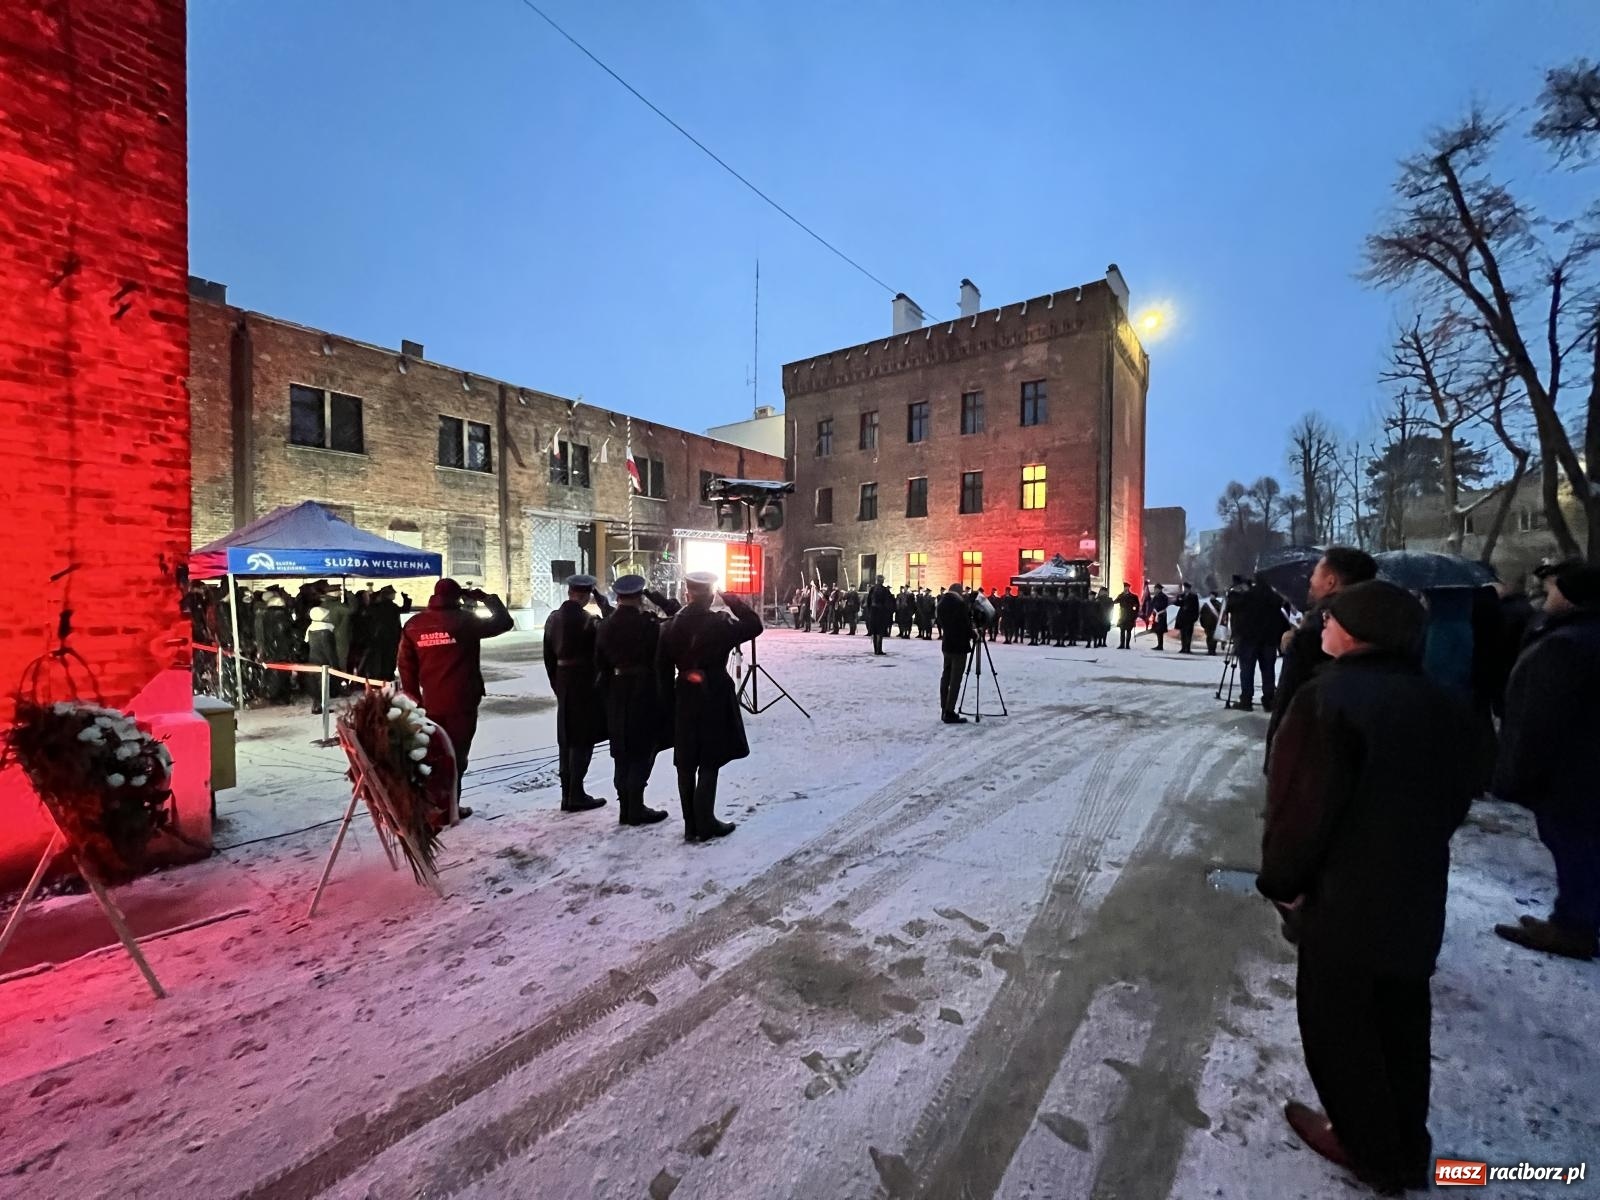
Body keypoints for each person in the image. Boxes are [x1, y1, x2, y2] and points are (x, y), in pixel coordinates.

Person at [1258, 580, 1475, 1195]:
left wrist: (1284, 882)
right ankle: (1407, 1141)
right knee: (1402, 1020)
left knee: (1340, 1027)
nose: (1319, 626)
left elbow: (1301, 807)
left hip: (1342, 898)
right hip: (1413, 891)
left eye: (1330, 618)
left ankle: (1367, 1145)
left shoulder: (1328, 699)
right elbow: (1458, 793)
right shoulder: (1439, 700)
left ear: (1356, 631)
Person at [1491, 562, 1600, 961]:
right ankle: (1576, 917)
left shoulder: (1568, 644)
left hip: (1569, 770)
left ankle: (1574, 926)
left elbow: (1541, 717)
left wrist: (1519, 772)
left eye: (1554, 588)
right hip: (1581, 765)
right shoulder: (1576, 636)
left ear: (1570, 597)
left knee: (1573, 844)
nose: (1548, 595)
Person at [656, 572, 762, 842]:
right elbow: (753, 625)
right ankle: (706, 822)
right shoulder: (720, 623)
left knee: (686, 762)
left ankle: (691, 825)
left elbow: (662, 670)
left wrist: (669, 704)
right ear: (712, 595)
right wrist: (732, 600)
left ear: (687, 593)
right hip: (713, 692)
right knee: (709, 759)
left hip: (684, 695)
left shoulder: (669, 626)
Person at [398, 578, 515, 812]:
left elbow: (405, 666)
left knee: (433, 752)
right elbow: (504, 622)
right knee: (456, 755)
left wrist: (413, 698)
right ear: (457, 597)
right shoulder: (465, 622)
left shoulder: (414, 625)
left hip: (430, 702)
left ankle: (433, 804)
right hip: (463, 699)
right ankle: (450, 805)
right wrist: (486, 599)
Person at [1267, 547, 1378, 763]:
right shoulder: (1386, 625)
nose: (1310, 580)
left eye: (1316, 572)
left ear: (1330, 582)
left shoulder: (1318, 631)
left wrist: (1275, 754)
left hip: (1314, 754)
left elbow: (1291, 698)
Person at [594, 575, 679, 828]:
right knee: (643, 750)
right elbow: (678, 617)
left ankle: (625, 808)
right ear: (640, 597)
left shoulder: (605, 625)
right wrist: (658, 598)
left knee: (621, 751)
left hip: (617, 693)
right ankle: (636, 807)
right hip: (645, 691)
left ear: (618, 597)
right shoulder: (650, 624)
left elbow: (600, 664)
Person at [543, 574, 612, 814]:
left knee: (566, 737)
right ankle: (577, 793)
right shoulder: (589, 620)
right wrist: (604, 604)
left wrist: (556, 684)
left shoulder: (552, 619)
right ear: (586, 594)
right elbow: (608, 638)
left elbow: (548, 657)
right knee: (582, 739)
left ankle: (566, 794)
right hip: (585, 683)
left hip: (563, 681)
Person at [1228, 574, 1290, 712]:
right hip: (1268, 640)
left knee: (1247, 670)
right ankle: (1269, 700)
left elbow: (1232, 607)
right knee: (1268, 670)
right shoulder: (1275, 598)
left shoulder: (1247, 596)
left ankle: (1246, 699)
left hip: (1249, 638)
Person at [934, 582, 975, 724]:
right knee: (955, 679)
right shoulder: (959, 604)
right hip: (959, 646)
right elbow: (964, 624)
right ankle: (950, 711)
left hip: (947, 644)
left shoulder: (941, 603)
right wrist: (973, 635)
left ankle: (944, 708)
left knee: (945, 676)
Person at [361, 586, 410, 683]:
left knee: (379, 659)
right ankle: (388, 676)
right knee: (389, 658)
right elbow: (405, 609)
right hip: (390, 637)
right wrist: (406, 599)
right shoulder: (391, 606)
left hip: (378, 637)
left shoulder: (376, 606)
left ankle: (379, 677)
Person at [865, 574, 894, 655]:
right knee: (879, 632)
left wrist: (869, 611)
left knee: (874, 632)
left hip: (873, 612)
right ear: (882, 581)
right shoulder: (884, 590)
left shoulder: (872, 589)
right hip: (881, 613)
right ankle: (879, 650)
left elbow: (868, 602)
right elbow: (888, 602)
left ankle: (876, 650)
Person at [1175, 582, 1201, 653]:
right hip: (1182, 617)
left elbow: (1196, 607)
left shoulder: (1194, 596)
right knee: (1183, 633)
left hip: (1190, 617)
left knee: (1188, 633)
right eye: (1185, 588)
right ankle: (1183, 648)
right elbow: (1177, 604)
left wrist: (1195, 617)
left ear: (1189, 589)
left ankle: (1188, 648)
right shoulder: (1181, 595)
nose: (1185, 589)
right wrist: (1178, 599)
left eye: (1186, 588)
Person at [1199, 587, 1223, 655]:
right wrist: (1202, 622)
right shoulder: (1206, 605)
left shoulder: (1218, 604)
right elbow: (1202, 614)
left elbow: (1221, 614)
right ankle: (1209, 649)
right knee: (1209, 637)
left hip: (1215, 623)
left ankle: (1213, 650)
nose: (1211, 596)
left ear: (1215, 596)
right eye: (1211, 595)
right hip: (1207, 623)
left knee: (1213, 638)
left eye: (1213, 595)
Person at [1114, 583, 1139, 650]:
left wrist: (1135, 615)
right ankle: (1122, 644)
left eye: (1127, 587)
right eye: (1125, 587)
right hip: (1122, 615)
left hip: (1130, 615)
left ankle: (1127, 645)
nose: (1126, 588)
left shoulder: (1133, 596)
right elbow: (1115, 602)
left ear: (1129, 588)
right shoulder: (1121, 595)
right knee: (1122, 631)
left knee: (1128, 631)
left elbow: (1137, 606)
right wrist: (1119, 597)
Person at [1149, 584, 1170, 650]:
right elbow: (1152, 604)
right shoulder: (1155, 596)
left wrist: (1157, 609)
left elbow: (1164, 605)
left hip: (1161, 615)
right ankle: (1159, 645)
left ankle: (1160, 646)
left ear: (1160, 589)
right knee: (1157, 631)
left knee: (1160, 631)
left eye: (1156, 589)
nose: (1155, 590)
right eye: (1155, 589)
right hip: (1156, 615)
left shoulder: (1164, 596)